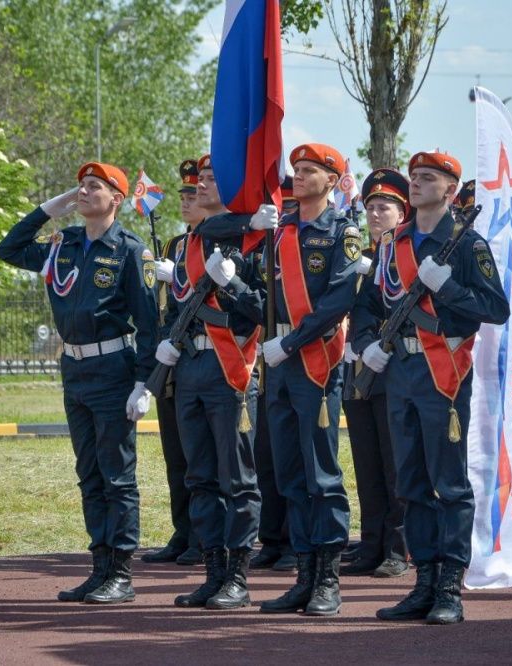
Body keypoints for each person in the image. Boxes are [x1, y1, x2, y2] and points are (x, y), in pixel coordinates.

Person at [353, 151, 509, 625]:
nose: (417, 184)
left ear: (450, 190)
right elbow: (367, 306)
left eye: (428, 178)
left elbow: (495, 307)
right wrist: (365, 346)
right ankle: (422, 582)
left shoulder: (466, 245)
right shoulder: (390, 245)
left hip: (443, 376)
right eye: (415, 177)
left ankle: (449, 588)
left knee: (449, 484)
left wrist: (448, 289)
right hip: (398, 372)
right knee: (412, 482)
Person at [0, 162, 157, 604]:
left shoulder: (129, 251)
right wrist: (50, 208)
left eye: (93, 187)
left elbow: (148, 323)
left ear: (116, 199)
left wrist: (146, 383)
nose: (83, 192)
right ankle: (99, 568)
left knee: (117, 476)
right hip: (75, 370)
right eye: (80, 187)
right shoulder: (62, 244)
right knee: (88, 474)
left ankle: (121, 572)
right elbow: (7, 249)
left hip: (113, 370)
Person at [156, 154, 266, 609]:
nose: (200, 185)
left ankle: (237, 578)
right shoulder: (186, 247)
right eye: (199, 178)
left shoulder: (253, 242)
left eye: (211, 178)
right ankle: (213, 571)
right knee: (199, 476)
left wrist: (236, 285)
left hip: (230, 369)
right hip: (191, 369)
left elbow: (264, 309)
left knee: (236, 479)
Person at [257, 143, 360, 617]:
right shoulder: (280, 232)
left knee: (322, 474)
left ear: (334, 180)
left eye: (309, 171)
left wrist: (291, 343)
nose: (298, 177)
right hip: (278, 364)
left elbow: (338, 300)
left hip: (313, 361)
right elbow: (265, 294)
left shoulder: (343, 232)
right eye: (296, 170)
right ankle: (304, 575)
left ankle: (329, 581)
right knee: (290, 474)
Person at [341, 168, 411, 579]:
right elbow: (360, 309)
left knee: (394, 465)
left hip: (393, 369)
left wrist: (374, 342)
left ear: (402, 212)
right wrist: (362, 341)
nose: (375, 211)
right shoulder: (364, 258)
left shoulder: (401, 257)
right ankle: (371, 544)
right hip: (358, 369)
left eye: (385, 205)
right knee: (366, 465)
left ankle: (398, 548)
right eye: (370, 205)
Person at [141, 159, 203, 566]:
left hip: (199, 354)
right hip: (170, 358)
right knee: (175, 453)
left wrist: (178, 275)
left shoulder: (213, 243)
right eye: (182, 195)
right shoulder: (172, 246)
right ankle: (183, 530)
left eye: (192, 195)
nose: (185, 201)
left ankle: (203, 534)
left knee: (200, 455)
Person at [250, 174, 297, 573]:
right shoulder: (269, 245)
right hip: (268, 356)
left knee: (301, 460)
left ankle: (297, 543)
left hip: (300, 352)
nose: (288, 215)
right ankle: (273, 537)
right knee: (268, 456)